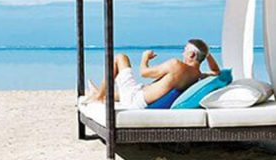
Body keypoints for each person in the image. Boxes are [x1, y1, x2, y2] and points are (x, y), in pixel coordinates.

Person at [82, 39, 220, 109]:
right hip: (139, 94)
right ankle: (99, 94)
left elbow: (144, 72)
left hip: (135, 99)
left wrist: (145, 57)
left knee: (120, 57)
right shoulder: (199, 76)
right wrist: (206, 53)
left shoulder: (176, 65)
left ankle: (99, 97)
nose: (182, 53)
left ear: (191, 54)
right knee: (122, 92)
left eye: (185, 50)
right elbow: (216, 71)